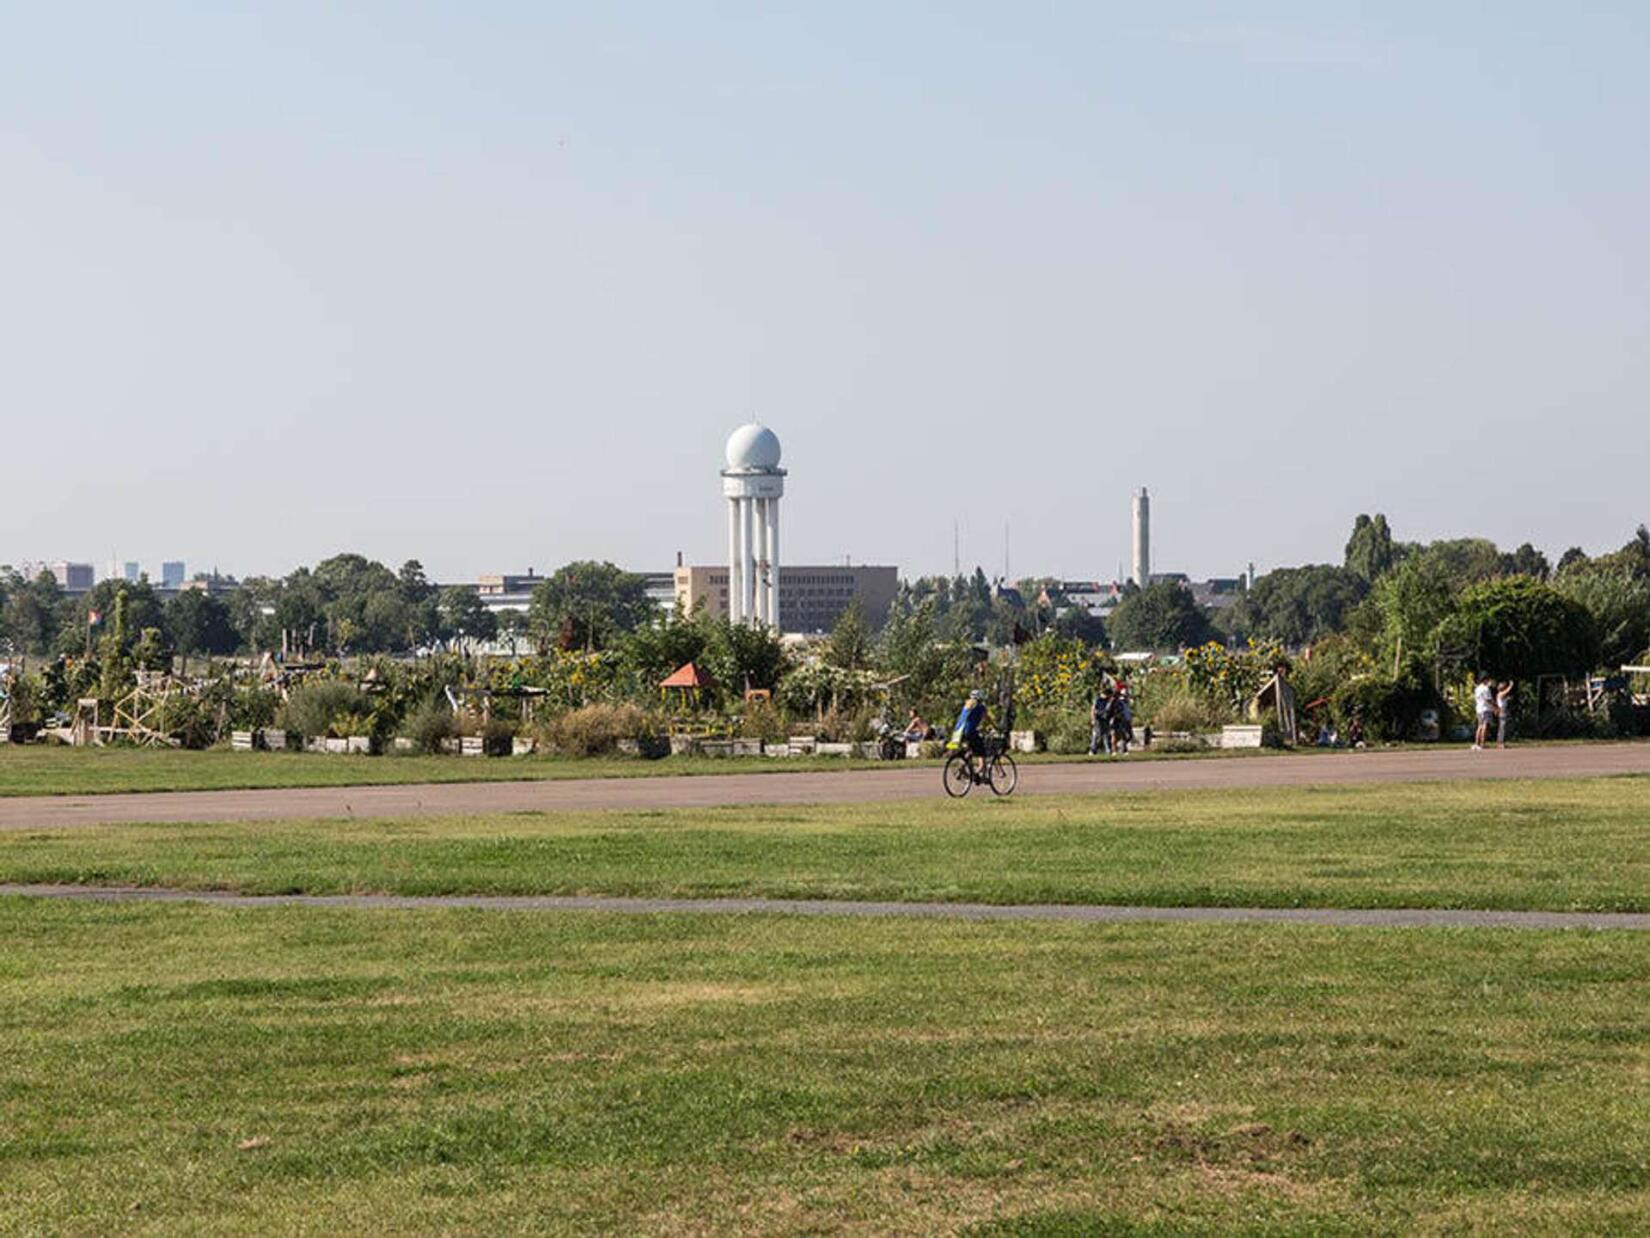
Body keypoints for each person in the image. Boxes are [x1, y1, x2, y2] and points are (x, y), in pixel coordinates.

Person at [953, 689, 989, 779]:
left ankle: (961, 768)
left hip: (958, 732)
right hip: (969, 732)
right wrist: (995, 727)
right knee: (982, 752)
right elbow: (987, 719)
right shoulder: (980, 706)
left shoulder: (967, 705)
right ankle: (979, 772)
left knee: (970, 750)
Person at [1473, 674, 1495, 750]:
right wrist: (1495, 707)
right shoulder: (1486, 689)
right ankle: (1482, 743)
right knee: (1485, 726)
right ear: (1485, 680)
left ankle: (1476, 743)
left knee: (1479, 726)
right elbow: (1488, 699)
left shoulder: (1477, 688)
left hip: (1479, 708)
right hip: (1485, 708)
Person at [1089, 686, 1112, 756]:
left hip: (1104, 720)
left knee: (1105, 735)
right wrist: (1093, 719)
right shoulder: (1098, 700)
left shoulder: (1107, 701)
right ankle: (1092, 750)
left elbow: (1108, 711)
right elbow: (1093, 710)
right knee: (1096, 735)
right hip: (1098, 719)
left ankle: (1107, 750)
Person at [1496, 680, 1514, 748]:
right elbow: (1507, 691)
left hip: (1503, 711)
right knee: (1502, 727)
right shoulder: (1500, 694)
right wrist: (1511, 685)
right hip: (1502, 711)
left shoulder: (1501, 694)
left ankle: (1500, 742)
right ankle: (1500, 743)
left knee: (1502, 727)